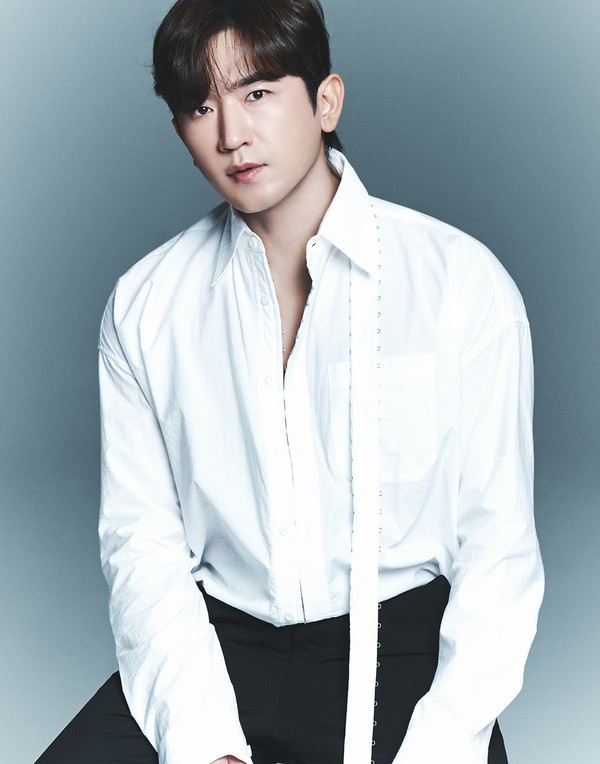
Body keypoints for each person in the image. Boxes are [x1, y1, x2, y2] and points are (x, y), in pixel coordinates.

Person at [36, 1, 544, 762]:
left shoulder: (461, 285)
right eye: (199, 107)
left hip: (399, 652)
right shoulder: (146, 305)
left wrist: (441, 742)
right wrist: (203, 742)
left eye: (257, 92)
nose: (231, 134)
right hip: (218, 647)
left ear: (325, 100)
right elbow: (142, 548)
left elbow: (499, 554)